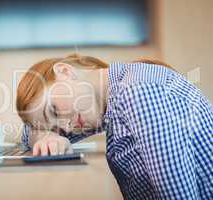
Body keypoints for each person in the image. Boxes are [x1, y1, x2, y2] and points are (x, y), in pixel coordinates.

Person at [16, 53, 213, 199]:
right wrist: (47, 136)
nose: (66, 128)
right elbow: (26, 135)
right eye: (57, 128)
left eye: (54, 110)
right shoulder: (105, 105)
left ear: (65, 71)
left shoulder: (136, 93)